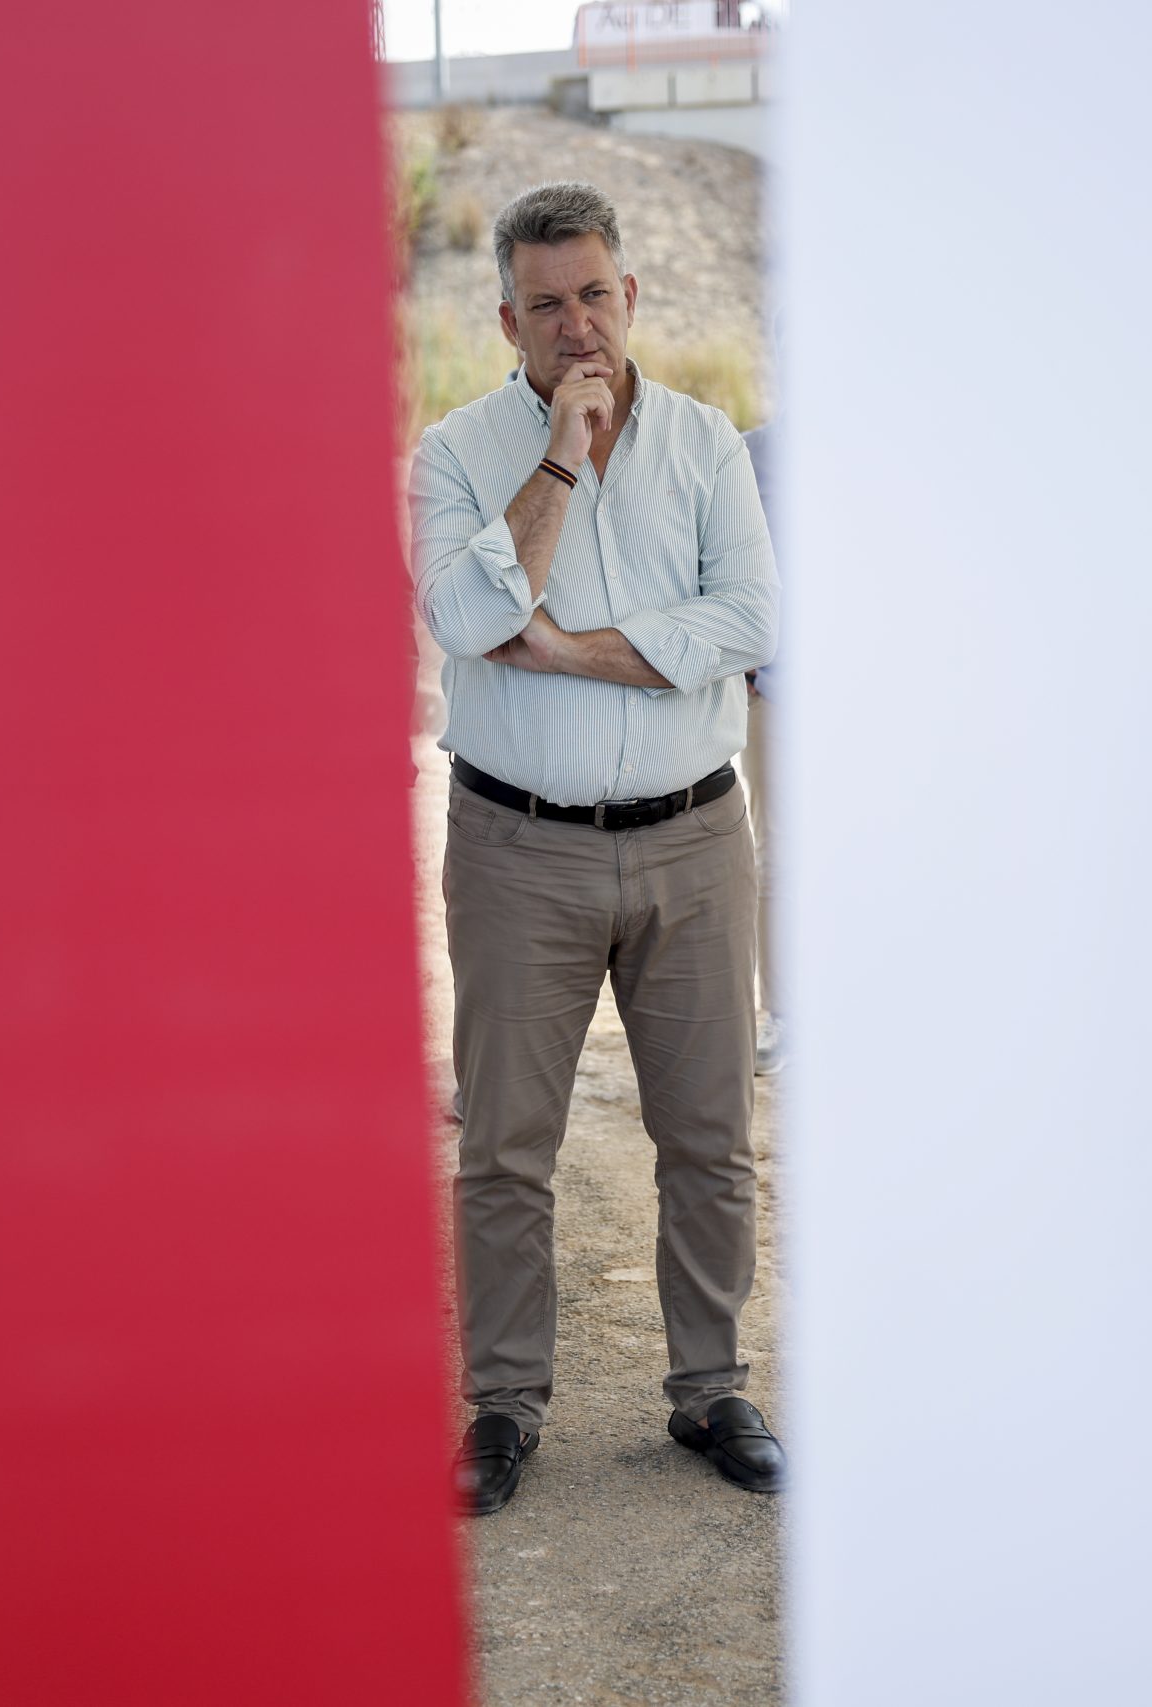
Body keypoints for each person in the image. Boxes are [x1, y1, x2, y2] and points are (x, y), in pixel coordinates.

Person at [410, 182, 784, 1516]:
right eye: (546, 305)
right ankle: (504, 1404)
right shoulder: (457, 453)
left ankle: (711, 1385)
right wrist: (560, 459)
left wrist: (567, 651)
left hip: (694, 841)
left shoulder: (706, 445)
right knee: (507, 1147)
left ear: (631, 294)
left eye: (594, 295)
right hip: (520, 847)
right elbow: (467, 615)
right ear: (506, 319)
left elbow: (749, 618)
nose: (578, 326)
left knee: (710, 1137)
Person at [739, 419, 784, 1076]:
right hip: (779, 693)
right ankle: (785, 1014)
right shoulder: (751, 453)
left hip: (873, 696)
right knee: (778, 853)